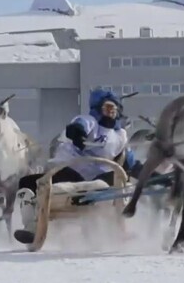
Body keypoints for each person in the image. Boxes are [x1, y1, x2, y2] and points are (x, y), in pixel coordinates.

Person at [13, 89, 141, 245]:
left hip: (99, 177)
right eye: (107, 107)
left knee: (121, 182)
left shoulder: (120, 135)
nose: (111, 111)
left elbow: (129, 160)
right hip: (70, 170)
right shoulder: (90, 121)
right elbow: (78, 126)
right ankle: (32, 226)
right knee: (26, 183)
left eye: (114, 108)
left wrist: (147, 174)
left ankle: (120, 229)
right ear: (98, 108)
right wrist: (78, 134)